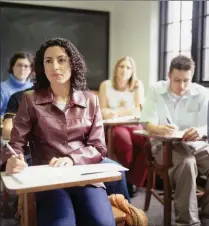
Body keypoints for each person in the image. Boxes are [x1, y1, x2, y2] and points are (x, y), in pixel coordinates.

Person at [2, 38, 116, 226]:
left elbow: (98, 147)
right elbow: (16, 144)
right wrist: (12, 160)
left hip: (85, 178)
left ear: (73, 63)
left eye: (61, 60)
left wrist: (72, 158)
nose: (55, 66)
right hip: (47, 180)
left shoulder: (91, 101)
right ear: (42, 66)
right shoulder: (29, 100)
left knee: (102, 222)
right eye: (48, 61)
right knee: (61, 223)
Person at [140, 55, 209, 226]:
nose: (182, 86)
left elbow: (206, 125)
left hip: (195, 144)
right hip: (164, 145)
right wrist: (156, 128)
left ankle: (206, 213)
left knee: (191, 159)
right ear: (169, 75)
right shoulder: (156, 90)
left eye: (186, 80)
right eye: (177, 80)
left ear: (191, 77)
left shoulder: (202, 93)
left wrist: (199, 131)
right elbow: (146, 122)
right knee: (187, 163)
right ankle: (187, 223)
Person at [99, 56, 147, 196]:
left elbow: (137, 110)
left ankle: (133, 180)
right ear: (116, 69)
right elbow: (103, 111)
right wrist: (124, 112)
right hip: (116, 126)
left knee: (147, 144)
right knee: (123, 140)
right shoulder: (105, 85)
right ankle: (124, 179)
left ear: (133, 71)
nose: (124, 70)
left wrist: (115, 112)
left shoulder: (137, 85)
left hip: (134, 124)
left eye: (128, 67)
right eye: (121, 66)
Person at [0, 52, 34, 116]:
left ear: (31, 70)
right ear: (12, 67)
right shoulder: (2, 88)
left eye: (26, 66)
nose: (22, 69)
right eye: (19, 65)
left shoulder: (34, 88)